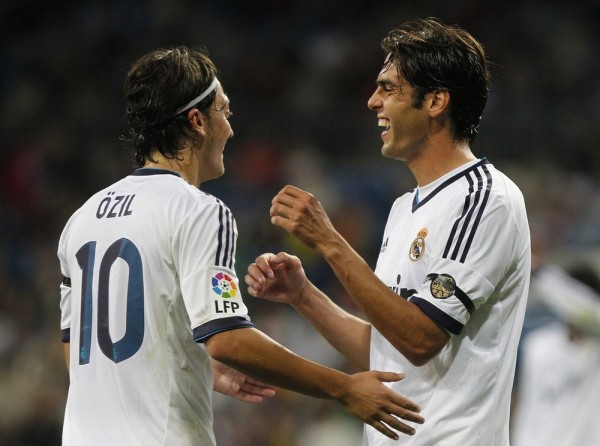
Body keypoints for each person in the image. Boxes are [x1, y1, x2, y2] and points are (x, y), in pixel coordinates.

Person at [57, 46, 424, 446]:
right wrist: (344, 387)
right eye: (224, 112)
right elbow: (229, 340)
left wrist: (191, 363)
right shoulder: (198, 210)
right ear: (197, 121)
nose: (230, 129)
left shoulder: (82, 219)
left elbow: (79, 351)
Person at [246, 18, 531, 445]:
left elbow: (421, 339)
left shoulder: (484, 198)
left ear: (435, 101)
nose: (372, 101)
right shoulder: (403, 208)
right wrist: (303, 296)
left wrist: (329, 240)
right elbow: (388, 350)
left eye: (389, 88)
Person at [511, 262, 600, 446]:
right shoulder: (538, 345)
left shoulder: (595, 347)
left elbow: (588, 311)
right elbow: (528, 405)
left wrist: (540, 272)